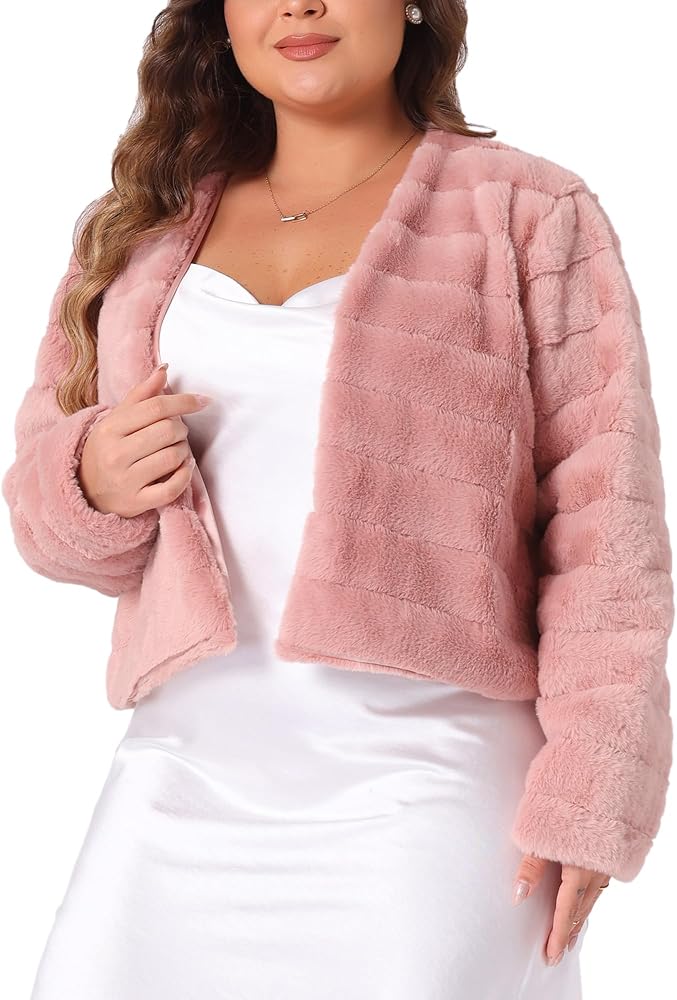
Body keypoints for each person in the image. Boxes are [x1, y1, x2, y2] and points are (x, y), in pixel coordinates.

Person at [4, 2, 672, 998]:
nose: (299, 5)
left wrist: (591, 792)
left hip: (433, 789)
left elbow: (604, 536)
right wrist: (89, 480)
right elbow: (45, 521)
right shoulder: (145, 224)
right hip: (180, 769)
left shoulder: (528, 211)